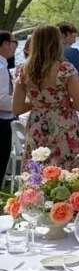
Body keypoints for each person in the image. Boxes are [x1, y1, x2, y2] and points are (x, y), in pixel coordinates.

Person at [12, 25, 79, 168]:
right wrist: (59, 102)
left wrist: (39, 102)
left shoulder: (23, 70)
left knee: (38, 170)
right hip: (63, 125)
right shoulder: (65, 69)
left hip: (37, 125)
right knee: (65, 172)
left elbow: (17, 108)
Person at [0, 32, 18, 179]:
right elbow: (2, 100)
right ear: (6, 44)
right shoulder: (1, 67)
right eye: (14, 43)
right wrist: (23, 104)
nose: (15, 47)